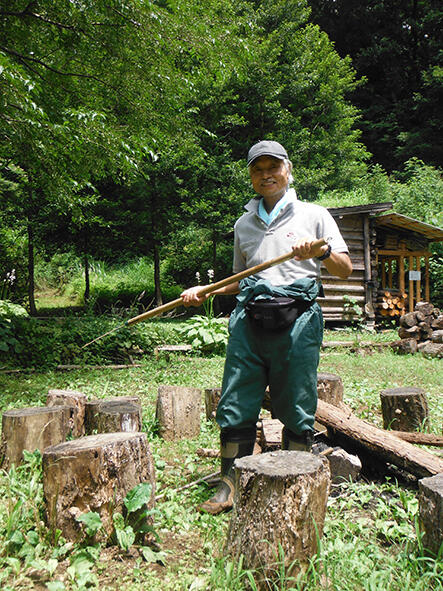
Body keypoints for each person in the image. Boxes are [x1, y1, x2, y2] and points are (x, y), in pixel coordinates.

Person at [181, 140, 352, 514]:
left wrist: (321, 252)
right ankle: (230, 481)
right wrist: (205, 291)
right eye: (258, 169)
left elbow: (345, 268)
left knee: (296, 400)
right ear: (250, 177)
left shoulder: (314, 215)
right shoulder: (244, 223)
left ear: (288, 170)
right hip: (249, 320)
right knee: (236, 398)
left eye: (273, 167)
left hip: (298, 321)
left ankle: (294, 480)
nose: (266, 175)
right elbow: (241, 278)